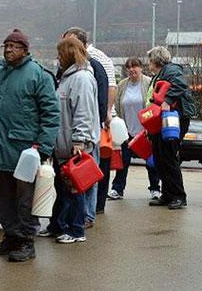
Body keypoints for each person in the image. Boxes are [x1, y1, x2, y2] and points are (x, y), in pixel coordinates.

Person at [0, 29, 60, 262]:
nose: (8, 49)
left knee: (25, 200)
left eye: (14, 46)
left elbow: (51, 114)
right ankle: (11, 236)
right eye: (6, 45)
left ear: (25, 50)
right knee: (3, 197)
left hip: (26, 151)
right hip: (1, 149)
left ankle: (26, 241)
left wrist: (43, 147)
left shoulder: (38, 75)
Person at [60, 27, 115, 224]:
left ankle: (87, 216)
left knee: (86, 177)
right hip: (74, 134)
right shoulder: (67, 71)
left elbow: (96, 101)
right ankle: (74, 218)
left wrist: (95, 126)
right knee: (74, 180)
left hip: (87, 134)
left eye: (68, 44)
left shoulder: (92, 68)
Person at [53, 37, 100, 244]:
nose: (57, 57)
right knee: (67, 190)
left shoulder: (81, 79)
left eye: (60, 53)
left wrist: (79, 141)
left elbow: (83, 112)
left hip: (74, 146)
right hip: (64, 146)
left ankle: (76, 230)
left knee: (75, 190)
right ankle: (65, 226)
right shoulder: (68, 77)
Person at [146, 46, 194, 210]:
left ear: (156, 60)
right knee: (160, 158)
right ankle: (168, 194)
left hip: (173, 120)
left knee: (169, 157)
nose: (149, 64)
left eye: (150, 61)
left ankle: (179, 196)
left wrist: (167, 100)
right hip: (163, 121)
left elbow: (180, 84)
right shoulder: (162, 73)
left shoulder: (171, 70)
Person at [110, 57, 161, 200]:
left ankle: (155, 189)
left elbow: (152, 105)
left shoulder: (148, 82)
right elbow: (118, 106)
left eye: (135, 66)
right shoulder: (122, 85)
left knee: (151, 162)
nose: (132, 70)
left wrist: (149, 127)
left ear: (141, 68)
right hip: (127, 131)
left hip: (145, 131)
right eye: (129, 67)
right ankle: (117, 189)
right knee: (123, 162)